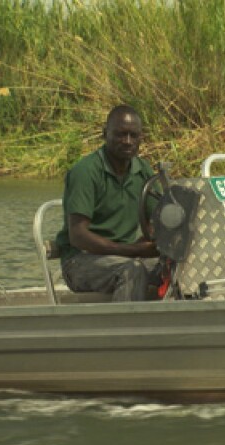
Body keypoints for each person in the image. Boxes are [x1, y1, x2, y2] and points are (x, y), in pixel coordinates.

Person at [55, 104, 162, 302]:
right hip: (80, 260)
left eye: (133, 135)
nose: (128, 141)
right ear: (105, 134)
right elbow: (78, 236)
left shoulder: (143, 170)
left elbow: (159, 218)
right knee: (132, 271)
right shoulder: (86, 172)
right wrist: (134, 251)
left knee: (178, 266)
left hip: (126, 256)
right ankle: (123, 332)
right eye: (120, 135)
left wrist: (154, 234)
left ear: (141, 138)